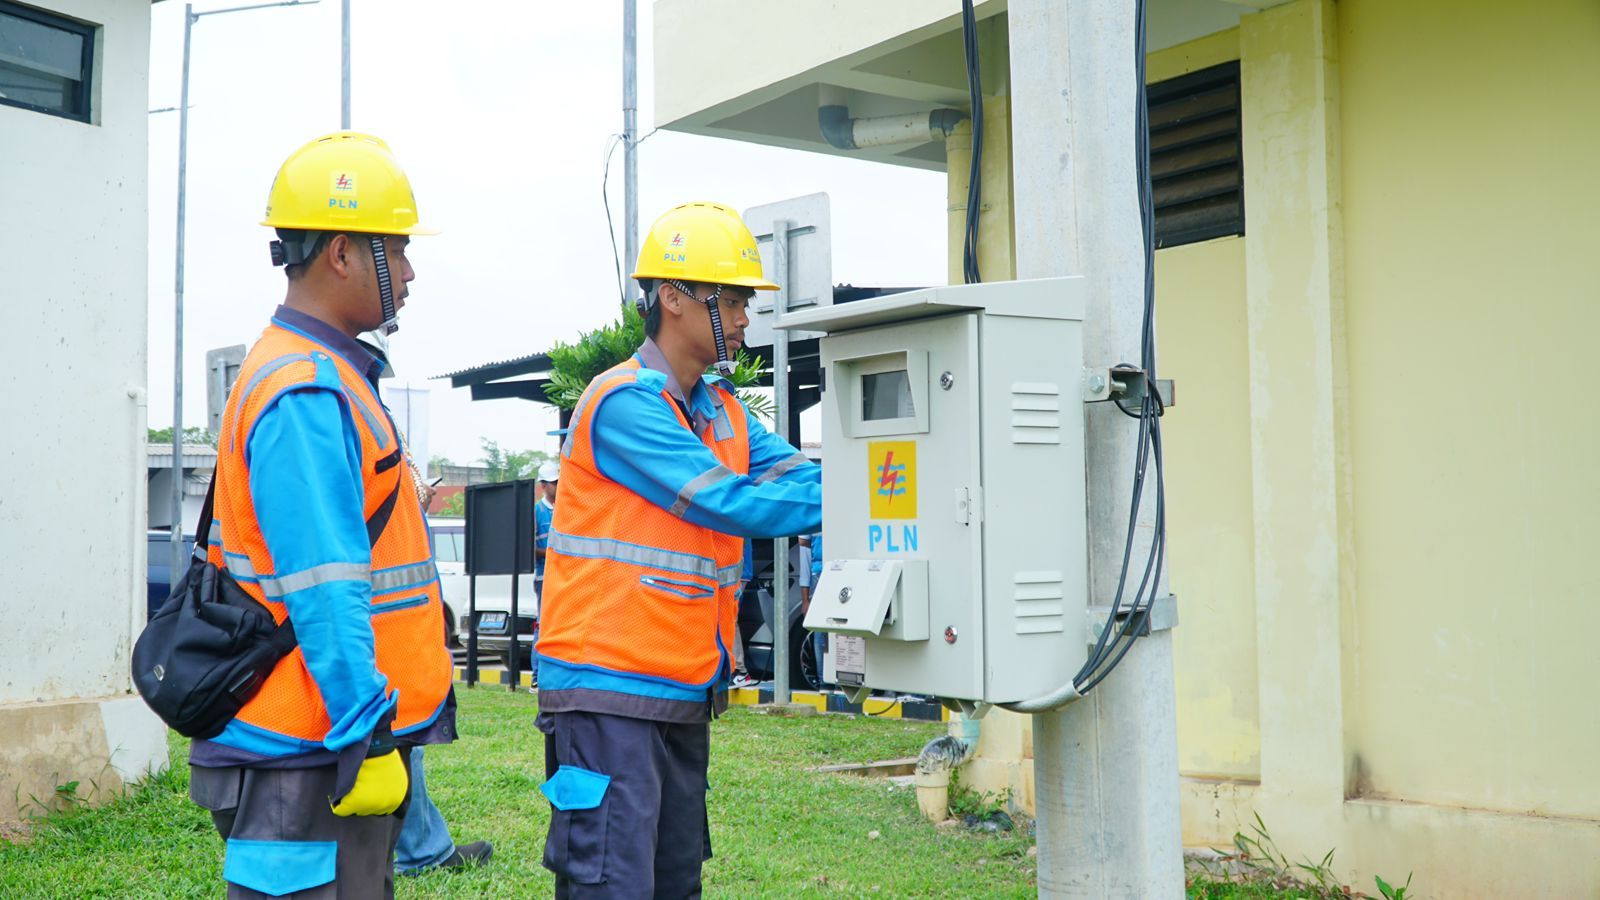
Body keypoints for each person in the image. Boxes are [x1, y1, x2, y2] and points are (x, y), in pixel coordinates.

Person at [186, 131, 456, 899]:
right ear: (341, 252)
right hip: (307, 743)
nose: (409, 271)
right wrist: (364, 728)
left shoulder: (326, 374)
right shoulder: (306, 389)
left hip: (318, 737)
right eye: (395, 250)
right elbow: (325, 582)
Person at [535, 201, 822, 897]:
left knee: (673, 883)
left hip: (681, 688)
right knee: (612, 884)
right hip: (609, 691)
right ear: (672, 298)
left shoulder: (721, 410)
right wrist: (871, 499)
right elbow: (731, 501)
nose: (747, 319)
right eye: (731, 300)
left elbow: (802, 479)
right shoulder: (623, 404)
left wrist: (892, 487)